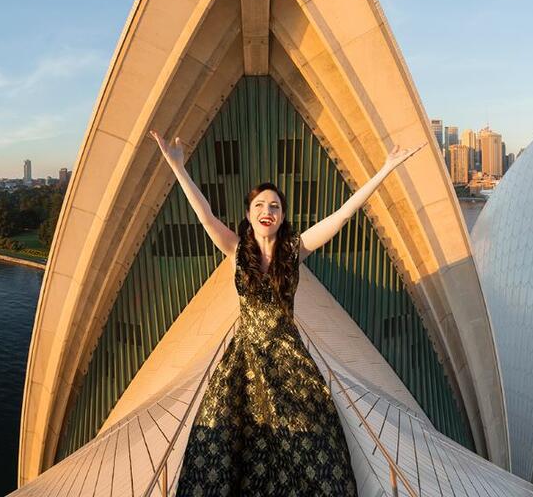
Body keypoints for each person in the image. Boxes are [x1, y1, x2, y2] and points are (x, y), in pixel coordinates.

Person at [149, 129, 426, 497]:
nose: (268, 211)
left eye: (275, 206)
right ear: (248, 215)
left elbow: (343, 215)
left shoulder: (295, 251)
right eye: (260, 206)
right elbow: (204, 214)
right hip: (243, 364)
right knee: (221, 443)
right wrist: (177, 167)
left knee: (309, 449)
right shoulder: (235, 250)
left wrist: (387, 169)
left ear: (282, 217)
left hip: (289, 363)